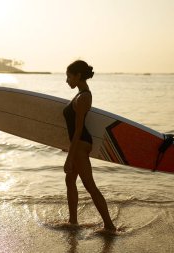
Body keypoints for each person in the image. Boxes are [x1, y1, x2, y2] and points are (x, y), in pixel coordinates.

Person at [63, 60, 116, 231]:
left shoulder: (84, 96)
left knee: (89, 185)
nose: (67, 80)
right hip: (78, 144)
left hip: (80, 144)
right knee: (70, 179)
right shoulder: (80, 95)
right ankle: (73, 222)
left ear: (78, 76)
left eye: (69, 76)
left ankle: (109, 225)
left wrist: (69, 157)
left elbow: (78, 130)